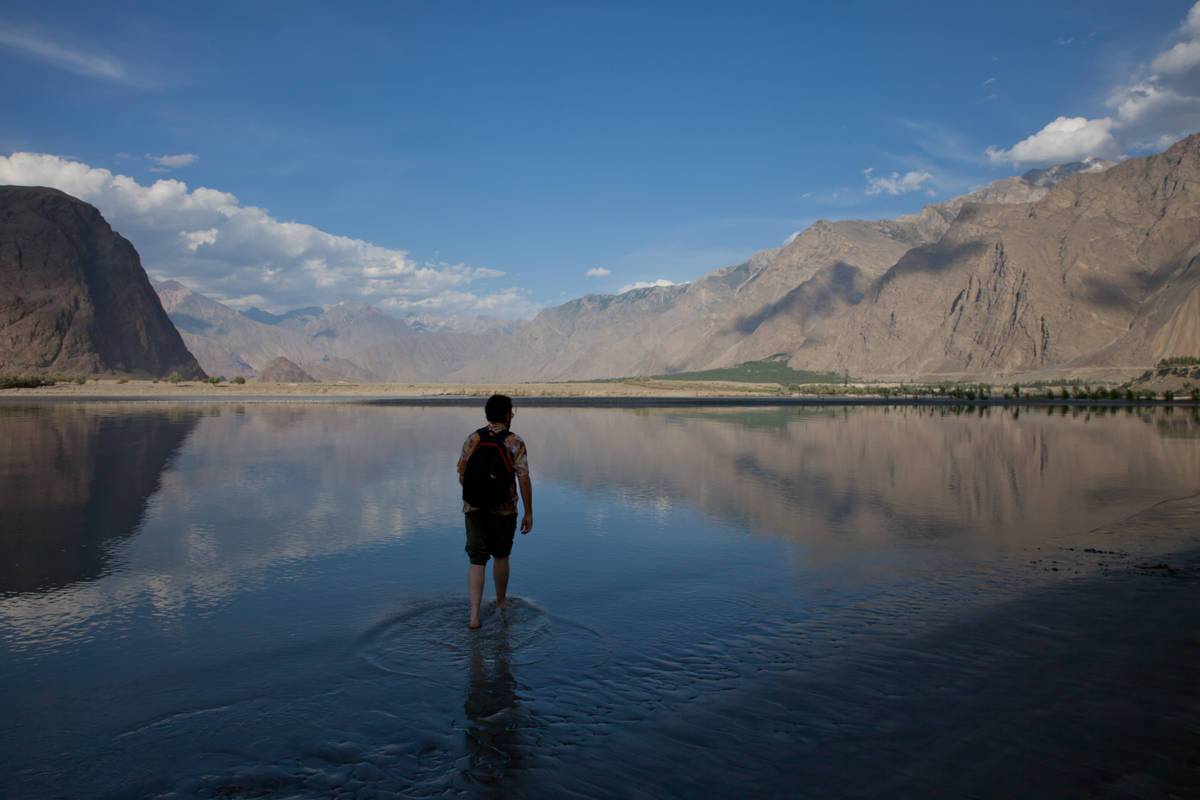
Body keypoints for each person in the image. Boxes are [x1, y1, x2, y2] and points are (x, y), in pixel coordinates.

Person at [456, 394, 533, 629]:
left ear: (487, 413)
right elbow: (524, 479)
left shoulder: (473, 438)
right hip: (504, 509)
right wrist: (528, 511)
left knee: (477, 560)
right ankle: (500, 602)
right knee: (501, 556)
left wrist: (477, 495)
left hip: (474, 508)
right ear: (508, 415)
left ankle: (474, 616)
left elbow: (462, 473)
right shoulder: (514, 441)